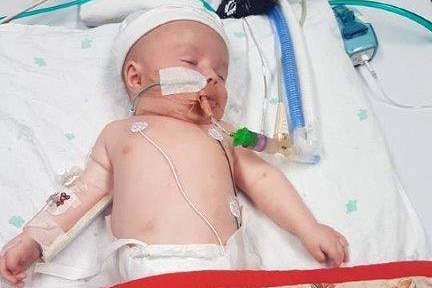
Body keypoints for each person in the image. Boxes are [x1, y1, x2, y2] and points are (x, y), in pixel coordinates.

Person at [0, 5, 349, 287]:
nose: (211, 78)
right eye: (191, 63)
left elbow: (264, 180)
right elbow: (81, 193)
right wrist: (34, 239)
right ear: (136, 78)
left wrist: (309, 228)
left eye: (221, 75)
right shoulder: (119, 134)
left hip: (225, 266)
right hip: (145, 269)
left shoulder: (223, 133)